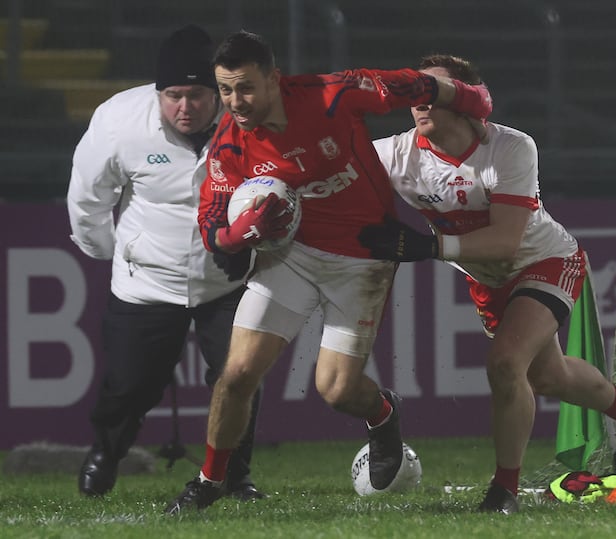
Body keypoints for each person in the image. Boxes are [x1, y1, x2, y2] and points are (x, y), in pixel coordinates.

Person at [164, 30, 493, 513]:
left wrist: (473, 98)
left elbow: (413, 86)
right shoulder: (229, 146)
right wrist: (243, 234)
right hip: (289, 257)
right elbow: (212, 226)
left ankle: (382, 414)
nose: (236, 101)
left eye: (247, 88)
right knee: (235, 374)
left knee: (336, 391)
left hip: (361, 258)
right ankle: (210, 480)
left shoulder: (332, 94)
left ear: (274, 79)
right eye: (227, 90)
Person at [359, 54, 616, 514]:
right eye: (413, 92)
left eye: (430, 91)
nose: (418, 101)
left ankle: (503, 491)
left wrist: (425, 246)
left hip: (545, 260)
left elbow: (504, 242)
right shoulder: (397, 154)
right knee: (547, 375)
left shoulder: (512, 147)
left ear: (462, 100)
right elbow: (334, 166)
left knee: (505, 364)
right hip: (488, 281)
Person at [67, 24, 263, 500]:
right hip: (146, 283)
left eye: (196, 94)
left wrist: (259, 250)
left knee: (238, 380)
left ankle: (233, 475)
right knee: (130, 385)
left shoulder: (253, 119)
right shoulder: (117, 122)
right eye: (172, 94)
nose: (184, 107)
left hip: (228, 279)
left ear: (217, 91)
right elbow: (87, 204)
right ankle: (106, 454)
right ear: (158, 92)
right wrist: (122, 257)